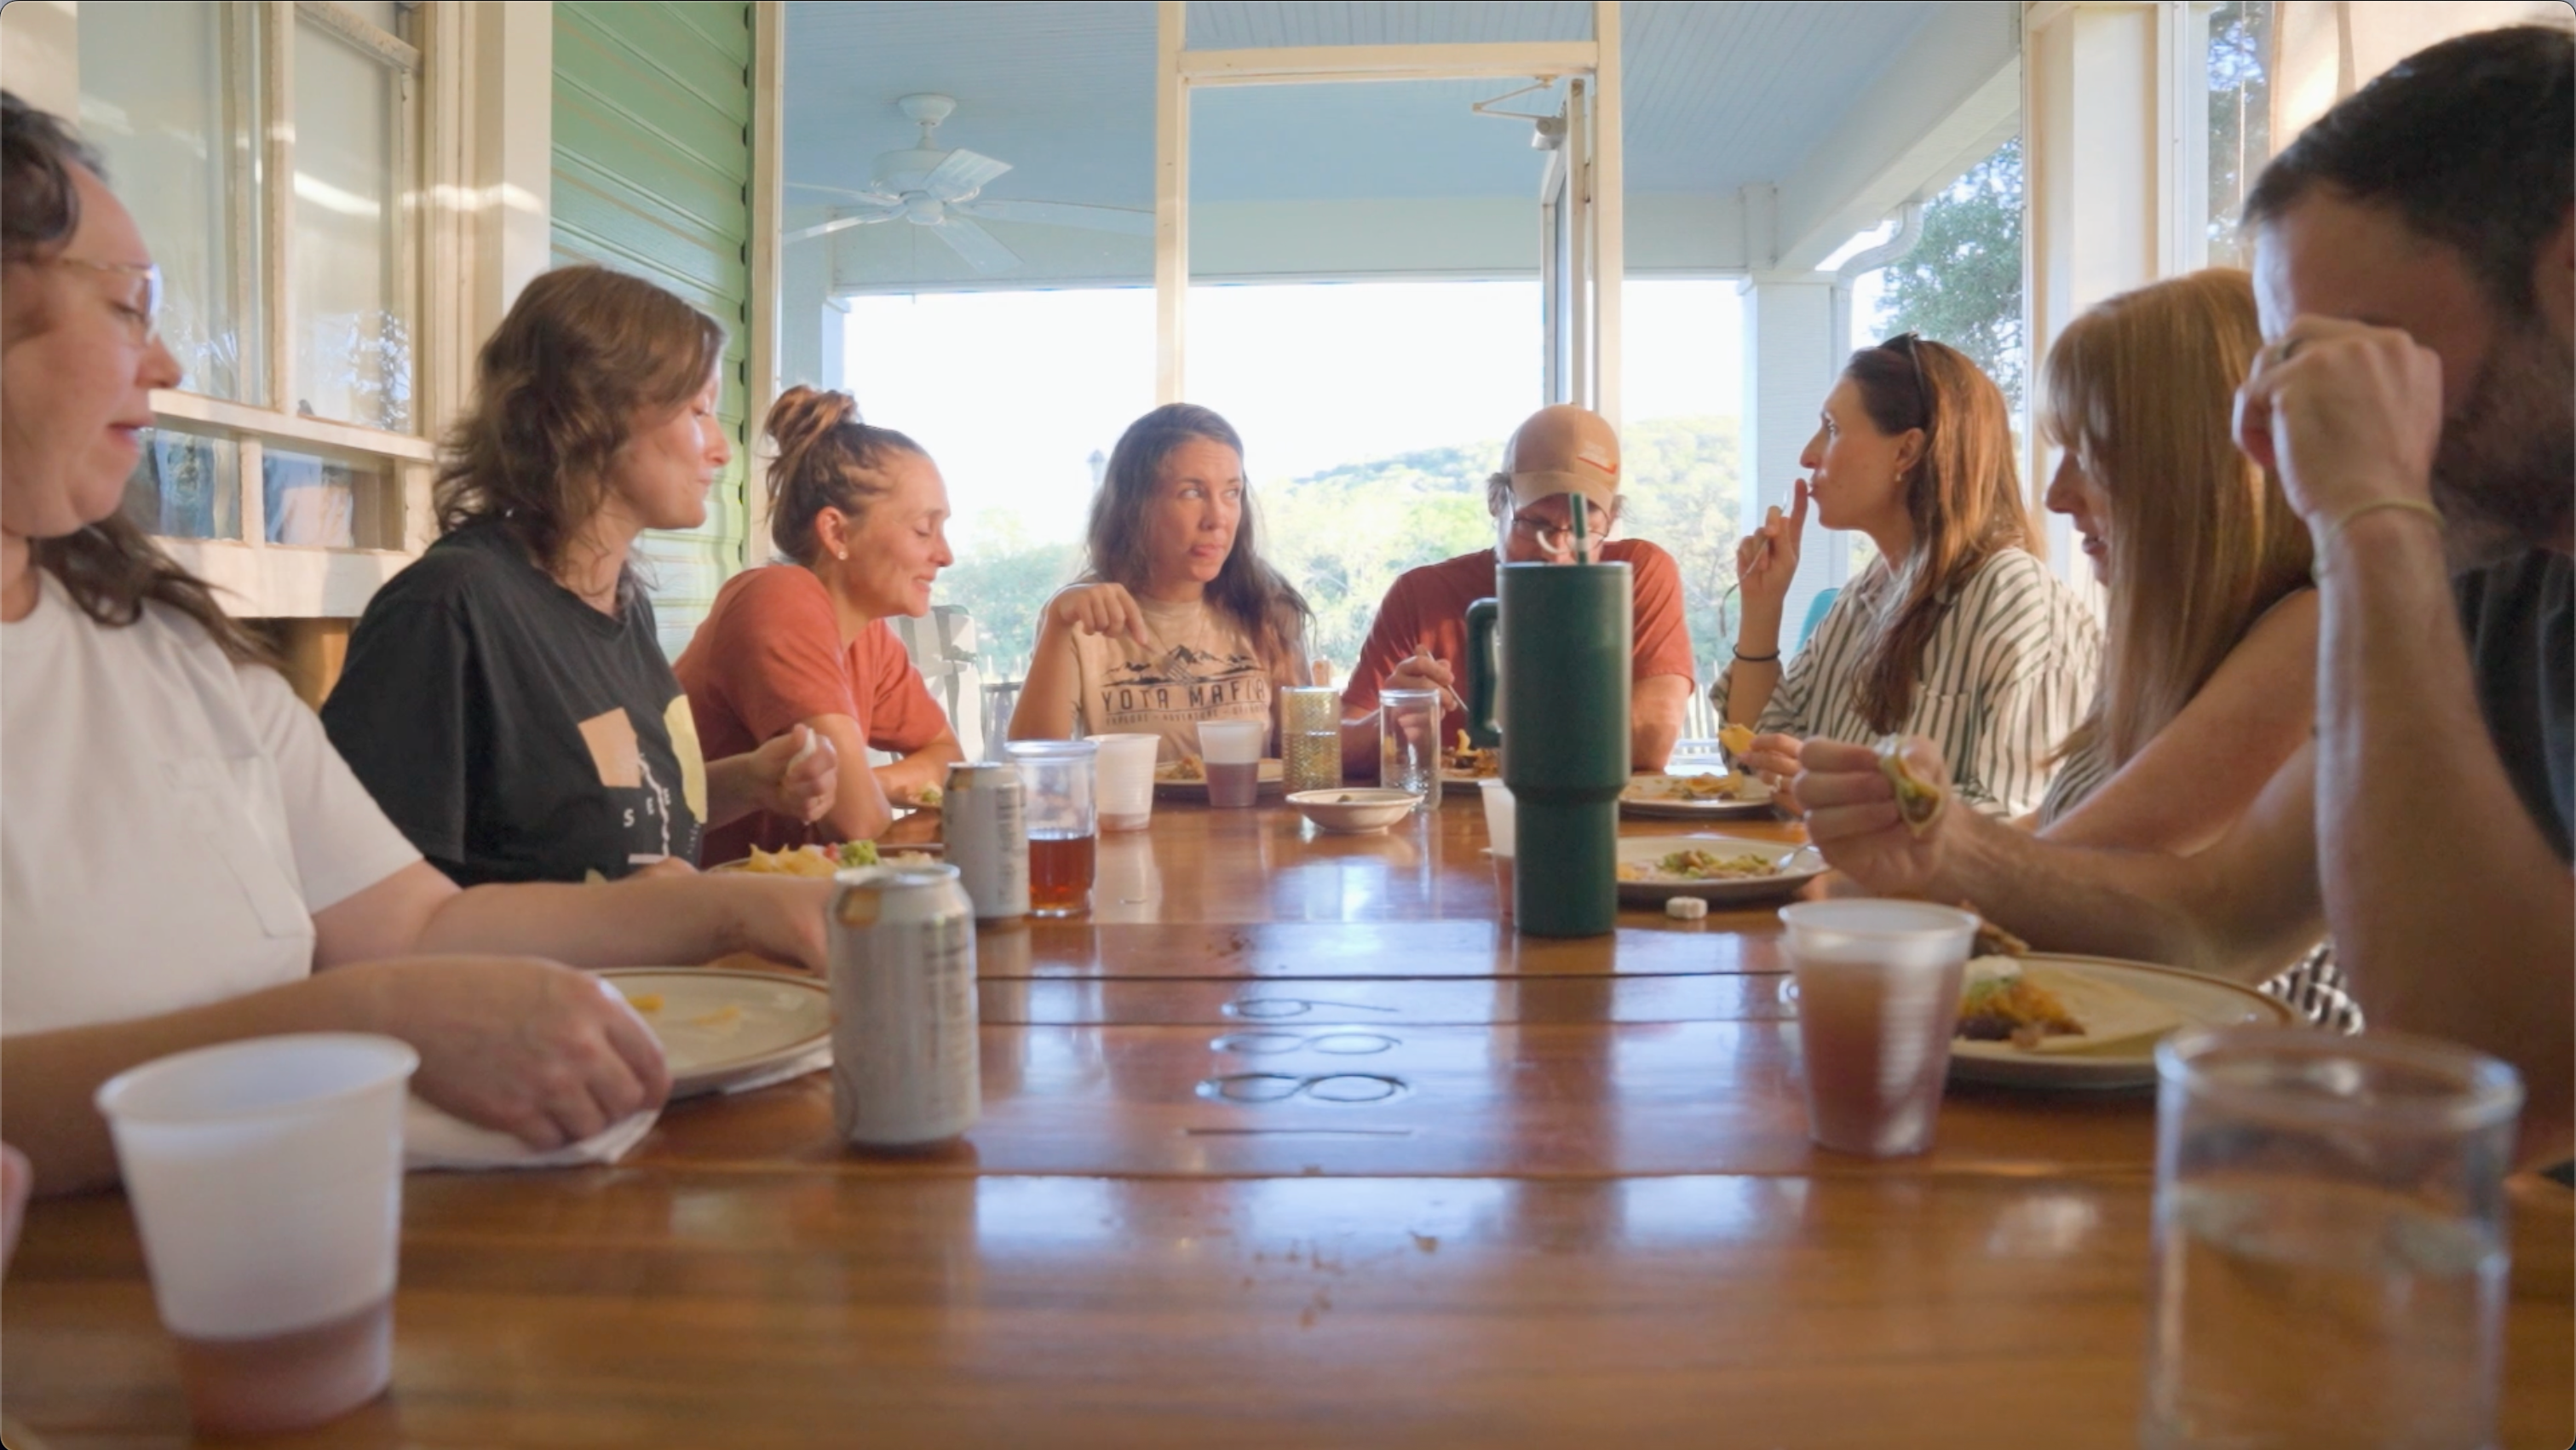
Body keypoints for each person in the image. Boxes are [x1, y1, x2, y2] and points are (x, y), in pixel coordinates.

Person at [0, 93, 831, 1194]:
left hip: (289, 1257)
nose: (164, 362)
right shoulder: (454, 605)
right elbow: (380, 972)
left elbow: (412, 920)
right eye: (126, 306)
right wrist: (353, 1020)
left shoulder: (168, 646)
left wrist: (731, 901)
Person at [1797, 24, 2573, 1164]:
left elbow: (2511, 1059)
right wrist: (1949, 849)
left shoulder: (2409, 567)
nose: (2272, 432)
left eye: (2361, 350)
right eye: (2293, 364)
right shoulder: (2492, 587)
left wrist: (2367, 519)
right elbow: (2211, 918)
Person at [321, 266, 835, 883]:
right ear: (594, 415)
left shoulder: (620, 602)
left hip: (645, 982)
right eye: (699, 410)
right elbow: (365, 899)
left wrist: (750, 781)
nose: (721, 449)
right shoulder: (449, 609)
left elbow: (603, 813)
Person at [1717, 335, 2101, 818]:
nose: (1809, 455)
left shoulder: (2017, 602)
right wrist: (1762, 607)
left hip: (1924, 897)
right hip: (1837, 886)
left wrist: (1854, 800)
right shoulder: (1864, 595)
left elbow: (2025, 819)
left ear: (1907, 452)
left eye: (1832, 428)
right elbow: (1754, 761)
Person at [2028, 269, 2318, 854]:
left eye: (2087, 455)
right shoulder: (2160, 641)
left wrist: (1927, 847)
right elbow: (2047, 834)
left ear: (2194, 473)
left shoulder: (2315, 632)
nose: (2056, 497)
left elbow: (2089, 861)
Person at [677, 388, 966, 862]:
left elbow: (947, 759)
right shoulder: (779, 598)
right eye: (923, 530)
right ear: (836, 532)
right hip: (692, 910)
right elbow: (856, 824)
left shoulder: (868, 636)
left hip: (777, 910)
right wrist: (864, 796)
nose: (945, 555)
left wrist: (871, 784)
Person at [1338, 404, 1697, 775]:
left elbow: (1652, 740)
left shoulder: (1636, 573)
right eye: (1534, 523)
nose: (1556, 555)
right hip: (1454, 826)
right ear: (1497, 501)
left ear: (1612, 520)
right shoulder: (1423, 594)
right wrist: (1387, 724)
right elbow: (1337, 747)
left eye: (1582, 529)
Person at [1009, 403, 1311, 758]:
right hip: (1128, 813)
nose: (1217, 519)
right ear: (1137, 505)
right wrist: (1058, 623)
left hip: (1249, 813)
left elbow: (1304, 757)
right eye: (1192, 493)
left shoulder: (1266, 605)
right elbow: (1033, 765)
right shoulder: (1082, 615)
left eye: (1231, 492)